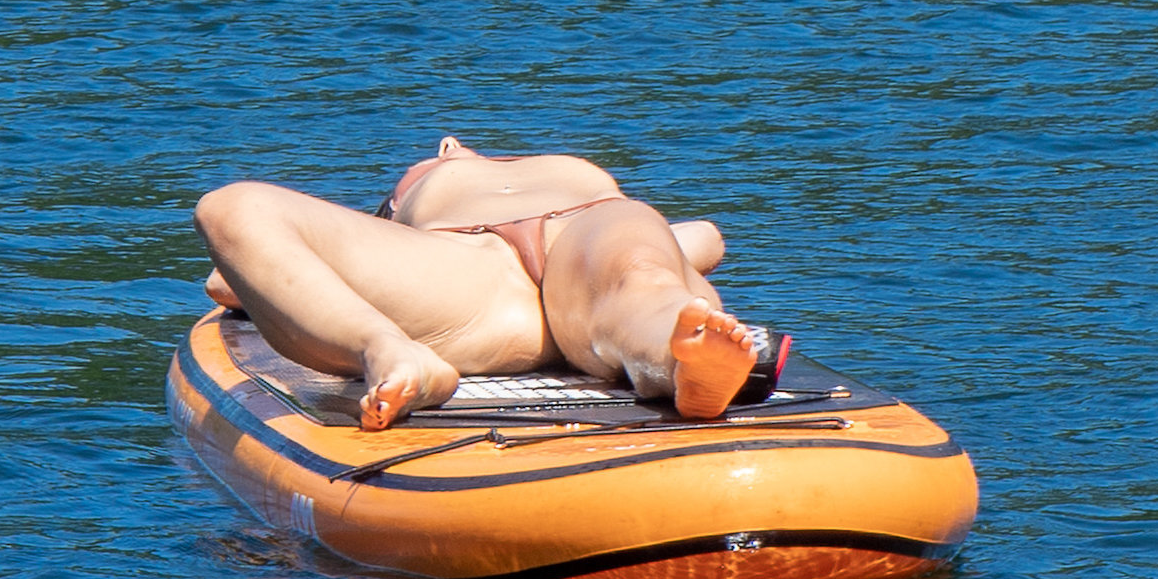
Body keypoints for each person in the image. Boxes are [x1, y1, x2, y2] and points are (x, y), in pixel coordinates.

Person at [194, 136, 789, 431]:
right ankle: (388, 348)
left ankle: (683, 364)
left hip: (583, 237)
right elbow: (232, 276)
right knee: (230, 207)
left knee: (646, 285)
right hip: (470, 266)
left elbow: (706, 238)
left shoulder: (447, 173)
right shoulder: (398, 221)